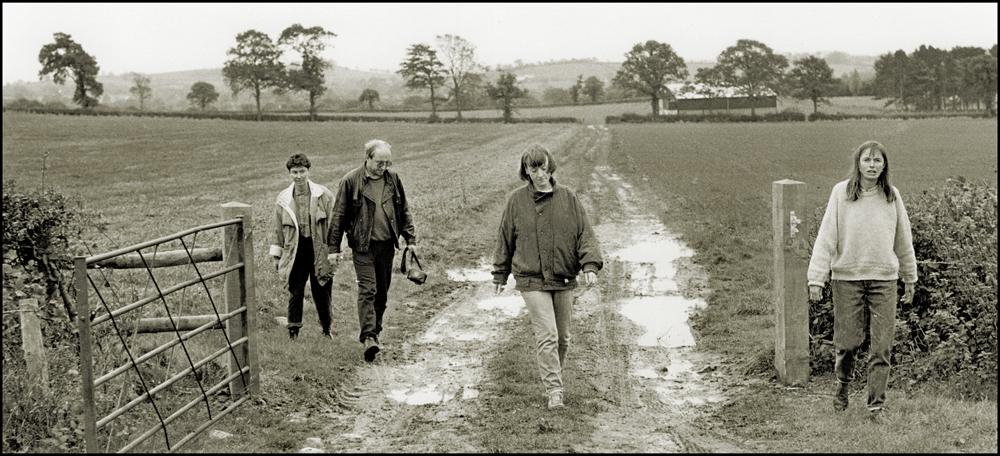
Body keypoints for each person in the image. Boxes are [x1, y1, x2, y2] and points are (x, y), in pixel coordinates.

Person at [807, 140, 917, 423]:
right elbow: (826, 237)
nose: (872, 165)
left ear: (884, 165)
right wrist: (816, 278)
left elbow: (903, 240)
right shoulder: (841, 194)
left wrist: (910, 277)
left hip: (884, 279)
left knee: (882, 346)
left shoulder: (892, 196)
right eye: (867, 160)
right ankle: (842, 384)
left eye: (877, 161)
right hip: (847, 279)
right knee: (848, 342)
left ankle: (876, 406)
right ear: (858, 163)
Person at [492, 144, 604, 409]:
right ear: (526, 171)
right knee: (548, 335)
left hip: (564, 276)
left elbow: (584, 235)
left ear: (550, 167)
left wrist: (590, 266)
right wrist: (500, 273)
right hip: (530, 278)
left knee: (563, 338)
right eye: (534, 168)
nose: (540, 173)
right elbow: (505, 238)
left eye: (543, 167)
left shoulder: (568, 197)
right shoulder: (516, 200)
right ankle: (554, 390)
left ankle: (554, 376)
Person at [330, 139, 417, 362]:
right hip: (362, 245)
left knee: (382, 293)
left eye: (388, 162)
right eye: (380, 162)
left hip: (387, 245)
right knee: (368, 289)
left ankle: (375, 332)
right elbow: (338, 216)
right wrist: (333, 248)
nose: (384, 167)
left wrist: (410, 238)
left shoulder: (393, 179)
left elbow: (403, 209)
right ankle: (368, 337)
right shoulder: (351, 181)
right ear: (368, 158)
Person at [270, 153, 339, 340]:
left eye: (302, 171)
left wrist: (333, 252)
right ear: (289, 174)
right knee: (296, 291)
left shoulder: (323, 194)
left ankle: (326, 329)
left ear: (308, 171)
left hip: (318, 249)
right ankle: (293, 330)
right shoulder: (283, 198)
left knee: (322, 290)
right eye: (294, 172)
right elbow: (278, 230)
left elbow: (334, 226)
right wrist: (276, 256)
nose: (298, 176)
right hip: (296, 251)